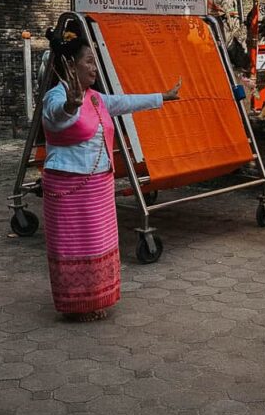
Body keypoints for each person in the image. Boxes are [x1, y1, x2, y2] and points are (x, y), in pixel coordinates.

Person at [40, 22, 181, 321]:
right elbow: (54, 119)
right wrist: (69, 106)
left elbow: (124, 101)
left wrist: (162, 97)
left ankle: (95, 299)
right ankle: (76, 306)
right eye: (89, 61)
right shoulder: (56, 97)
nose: (95, 68)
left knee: (98, 244)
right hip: (70, 187)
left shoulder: (95, 97)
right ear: (69, 65)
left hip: (97, 186)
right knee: (76, 247)